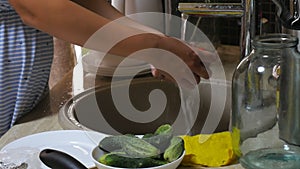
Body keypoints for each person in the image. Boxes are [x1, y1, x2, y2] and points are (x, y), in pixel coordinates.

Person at [0, 0, 210, 136]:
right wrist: (155, 48)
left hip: (23, 101)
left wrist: (163, 45)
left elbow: (90, 5)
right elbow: (39, 9)